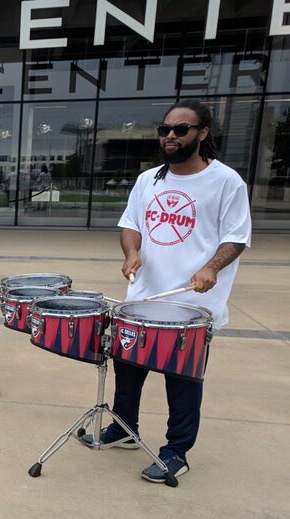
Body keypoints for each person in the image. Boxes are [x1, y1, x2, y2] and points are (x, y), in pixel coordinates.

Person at [80, 100, 252, 483]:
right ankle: (124, 430)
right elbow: (131, 225)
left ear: (202, 134)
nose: (170, 136)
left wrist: (211, 267)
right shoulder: (149, 180)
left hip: (192, 305)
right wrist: (132, 252)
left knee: (182, 382)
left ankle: (176, 452)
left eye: (180, 130)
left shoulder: (226, 181)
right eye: (164, 129)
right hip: (143, 299)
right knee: (128, 373)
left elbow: (237, 237)